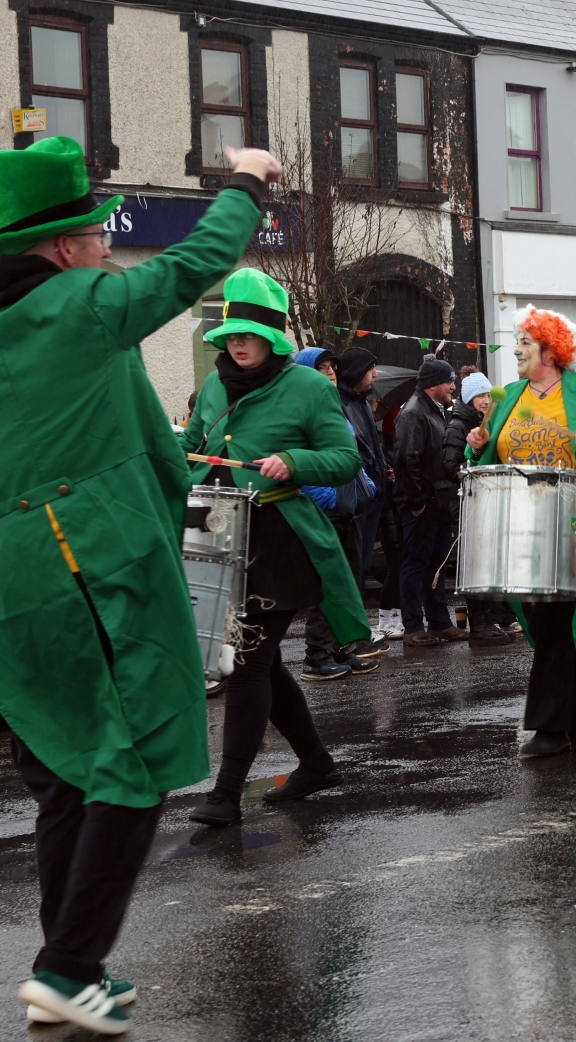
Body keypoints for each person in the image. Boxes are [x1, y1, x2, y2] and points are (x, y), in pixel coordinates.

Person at [0, 137, 274, 1034]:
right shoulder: (89, 305)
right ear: (62, 247)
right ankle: (70, 968)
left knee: (66, 775)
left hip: (9, 578)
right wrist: (247, 182)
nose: (107, 244)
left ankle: (70, 971)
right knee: (135, 761)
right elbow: (197, 263)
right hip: (97, 564)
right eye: (96, 233)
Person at [180, 269, 370, 827]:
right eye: (230, 335)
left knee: (246, 664)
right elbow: (194, 446)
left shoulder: (310, 387)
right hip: (218, 535)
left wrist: (296, 460)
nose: (236, 344)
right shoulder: (214, 386)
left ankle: (227, 793)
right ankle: (316, 762)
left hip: (279, 539)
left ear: (272, 339)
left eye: (247, 335)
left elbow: (347, 460)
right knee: (261, 665)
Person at [464, 305, 576, 757]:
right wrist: (478, 444)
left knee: (553, 615)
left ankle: (549, 728)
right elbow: (490, 461)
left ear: (551, 348)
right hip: (523, 523)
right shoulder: (508, 397)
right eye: (518, 342)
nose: (517, 350)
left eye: (525, 342)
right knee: (549, 621)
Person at [289, 347, 379, 680]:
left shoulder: (335, 407)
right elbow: (299, 463)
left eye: (331, 366)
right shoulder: (300, 410)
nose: (328, 372)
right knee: (325, 587)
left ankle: (344, 648)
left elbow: (352, 453)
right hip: (324, 512)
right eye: (320, 366)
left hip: (348, 510)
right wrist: (327, 496)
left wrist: (363, 485)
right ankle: (317, 656)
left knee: (349, 582)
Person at [439, 371, 518, 646]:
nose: (486, 401)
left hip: (487, 499)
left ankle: (489, 620)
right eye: (480, 396)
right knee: (475, 563)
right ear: (469, 399)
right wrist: (477, 469)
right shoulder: (458, 426)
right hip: (468, 501)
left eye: (488, 395)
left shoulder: (489, 422)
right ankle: (479, 624)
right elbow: (450, 468)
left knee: (488, 562)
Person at [393, 356, 464, 646]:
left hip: (439, 501)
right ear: (434, 384)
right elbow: (405, 459)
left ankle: (439, 622)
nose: (453, 386)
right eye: (449, 380)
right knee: (415, 563)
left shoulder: (437, 410)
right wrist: (417, 502)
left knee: (436, 563)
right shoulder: (413, 413)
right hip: (423, 504)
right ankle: (412, 626)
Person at [334, 345, 392, 642]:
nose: (375, 374)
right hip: (356, 499)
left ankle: (357, 633)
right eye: (371, 368)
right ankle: (352, 636)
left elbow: (373, 447)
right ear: (357, 371)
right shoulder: (341, 403)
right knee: (354, 568)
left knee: (364, 565)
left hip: (372, 497)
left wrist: (384, 474)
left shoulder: (361, 401)